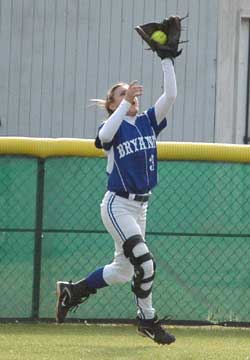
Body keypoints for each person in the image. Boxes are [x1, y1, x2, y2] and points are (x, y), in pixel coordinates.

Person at [56, 16, 181, 345]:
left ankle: (73, 290)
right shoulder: (113, 128)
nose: (131, 98)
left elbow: (170, 96)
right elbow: (102, 136)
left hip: (141, 207)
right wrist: (123, 104)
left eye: (131, 95)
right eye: (121, 96)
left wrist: (166, 59)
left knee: (124, 270)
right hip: (117, 205)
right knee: (145, 262)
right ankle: (148, 320)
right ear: (111, 104)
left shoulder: (146, 122)